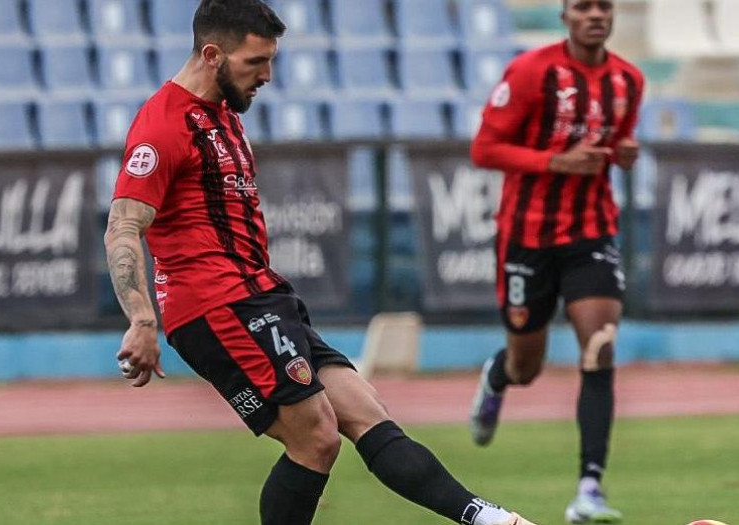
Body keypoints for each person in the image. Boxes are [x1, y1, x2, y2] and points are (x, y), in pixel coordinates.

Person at [105, 1, 539, 523]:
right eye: (255, 62)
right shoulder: (163, 124)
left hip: (261, 293)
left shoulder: (221, 115)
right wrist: (142, 319)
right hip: (213, 305)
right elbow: (123, 226)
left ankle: (487, 517)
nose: (267, 75)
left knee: (367, 412)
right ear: (212, 54)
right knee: (315, 439)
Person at [468, 0, 643, 522]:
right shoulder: (529, 72)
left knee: (600, 346)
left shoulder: (628, 81)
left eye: (603, 6)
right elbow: (484, 148)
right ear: (564, 15)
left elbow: (616, 146)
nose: (595, 15)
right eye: (583, 6)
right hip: (527, 236)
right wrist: (554, 161)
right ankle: (497, 378)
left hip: (591, 232)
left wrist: (625, 153)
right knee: (527, 365)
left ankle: (589, 489)